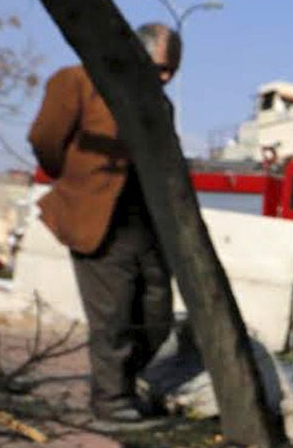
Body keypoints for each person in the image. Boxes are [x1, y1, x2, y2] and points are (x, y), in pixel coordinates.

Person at [27, 23, 181, 424]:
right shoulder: (77, 81)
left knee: (157, 315)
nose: (165, 77)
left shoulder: (161, 105)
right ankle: (111, 399)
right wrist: (77, 180)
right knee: (112, 317)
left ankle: (126, 384)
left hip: (145, 225)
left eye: (172, 70)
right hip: (97, 221)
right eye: (159, 68)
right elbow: (45, 139)